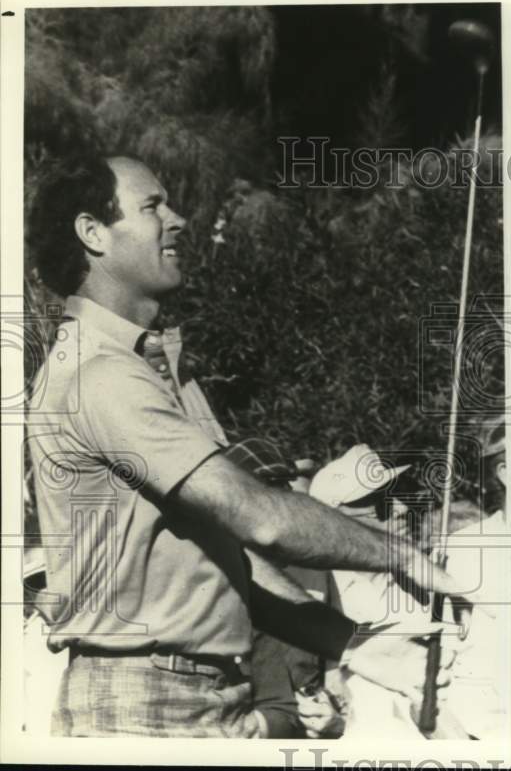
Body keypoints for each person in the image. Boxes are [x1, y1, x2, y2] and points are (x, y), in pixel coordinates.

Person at [24, 155, 473, 738]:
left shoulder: (140, 369)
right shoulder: (102, 374)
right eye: (153, 206)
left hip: (197, 698)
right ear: (93, 234)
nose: (179, 220)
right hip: (148, 707)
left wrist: (353, 645)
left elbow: (226, 556)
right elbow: (260, 518)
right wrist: (405, 555)